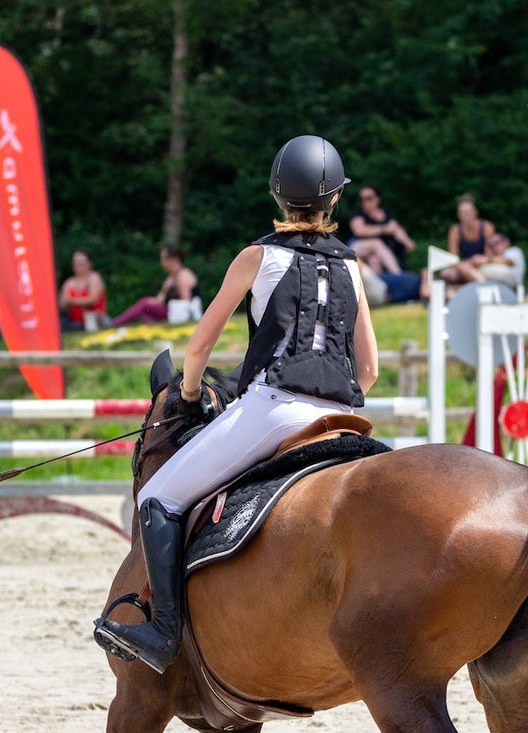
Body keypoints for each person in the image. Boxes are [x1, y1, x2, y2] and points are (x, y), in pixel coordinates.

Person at [95, 134, 379, 673]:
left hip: (274, 409)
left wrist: (188, 392)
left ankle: (161, 631)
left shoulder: (258, 256)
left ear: (278, 194)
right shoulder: (352, 267)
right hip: (343, 419)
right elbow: (369, 371)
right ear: (335, 200)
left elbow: (200, 345)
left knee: (157, 498)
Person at [111, 246, 201, 326]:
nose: (162, 262)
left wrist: (145, 303)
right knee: (145, 314)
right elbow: (160, 299)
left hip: (177, 312)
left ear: (175, 259)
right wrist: (147, 301)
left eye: (164, 258)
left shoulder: (183, 275)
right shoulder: (171, 277)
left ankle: (114, 324)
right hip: (170, 311)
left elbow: (186, 303)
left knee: (144, 304)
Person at [347, 185, 416, 274]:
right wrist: (384, 229)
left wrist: (407, 242)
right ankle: (398, 274)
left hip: (377, 254)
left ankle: (380, 285)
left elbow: (396, 229)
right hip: (356, 247)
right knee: (376, 243)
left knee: (374, 259)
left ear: (377, 199)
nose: (365, 202)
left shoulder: (387, 216)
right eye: (362, 199)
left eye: (369, 198)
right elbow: (359, 231)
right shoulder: (358, 214)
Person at [437, 193, 497, 290]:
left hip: (481, 263)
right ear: (458, 215)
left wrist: (472, 263)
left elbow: (488, 255)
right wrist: (467, 266)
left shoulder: (487, 227)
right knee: (447, 273)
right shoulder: (455, 230)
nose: (466, 216)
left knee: (465, 268)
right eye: (462, 213)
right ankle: (479, 283)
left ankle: (479, 284)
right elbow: (453, 258)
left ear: (475, 212)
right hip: (465, 265)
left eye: (468, 212)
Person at [58, 250, 109, 332]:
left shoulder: (94, 278)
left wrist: (70, 301)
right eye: (75, 261)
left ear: (89, 263)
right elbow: (63, 306)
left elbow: (93, 299)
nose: (78, 264)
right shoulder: (69, 283)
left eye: (81, 261)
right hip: (75, 322)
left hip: (95, 320)